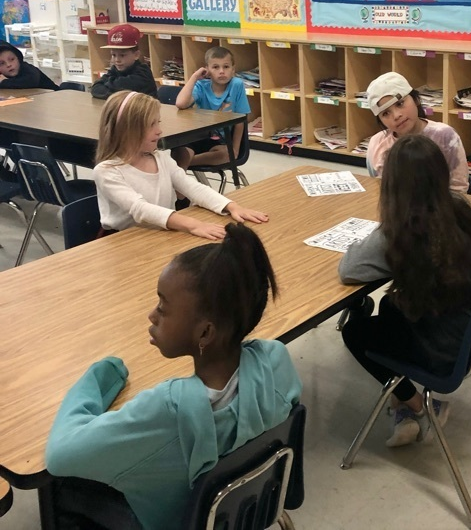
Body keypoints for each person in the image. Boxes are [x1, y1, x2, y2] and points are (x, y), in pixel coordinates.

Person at [45, 222, 302, 530]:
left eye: (163, 309)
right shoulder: (276, 359)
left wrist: (99, 378)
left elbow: (60, 455)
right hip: (246, 511)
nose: (151, 315)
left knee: (62, 489)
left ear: (205, 332)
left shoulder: (165, 409)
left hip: (179, 521)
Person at [340, 135, 471, 446]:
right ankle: (403, 411)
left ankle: (420, 404)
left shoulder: (400, 232)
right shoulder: (459, 211)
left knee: (355, 331)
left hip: (444, 352)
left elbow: (350, 269)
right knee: (389, 307)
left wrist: (387, 220)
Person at [93, 90, 267, 237]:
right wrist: (193, 224)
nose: (159, 130)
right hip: (122, 240)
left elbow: (192, 187)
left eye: (158, 122)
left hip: (162, 231)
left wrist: (231, 206)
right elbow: (140, 209)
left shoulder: (161, 158)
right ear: (127, 130)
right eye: (151, 125)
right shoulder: (107, 171)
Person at [365, 71, 469, 193]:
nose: (396, 115)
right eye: (385, 113)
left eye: (400, 104)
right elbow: (381, 191)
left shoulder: (445, 136)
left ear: (416, 100)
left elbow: (458, 188)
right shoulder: (377, 143)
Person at [173, 46, 250, 169]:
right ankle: (180, 169)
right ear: (207, 70)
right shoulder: (201, 86)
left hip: (220, 141)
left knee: (226, 154)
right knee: (180, 152)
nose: (221, 71)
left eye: (226, 67)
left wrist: (235, 149)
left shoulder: (237, 85)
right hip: (197, 137)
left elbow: (241, 119)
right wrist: (194, 77)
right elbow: (181, 104)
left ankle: (184, 164)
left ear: (233, 69)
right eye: (215, 67)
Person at [90, 24, 158, 99]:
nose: (117, 60)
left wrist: (107, 86)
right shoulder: (115, 69)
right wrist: (109, 88)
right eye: (114, 55)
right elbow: (95, 88)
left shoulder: (142, 74)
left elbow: (116, 93)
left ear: (136, 55)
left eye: (122, 55)